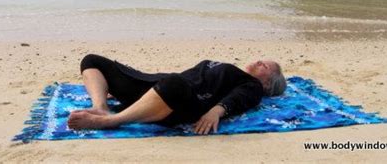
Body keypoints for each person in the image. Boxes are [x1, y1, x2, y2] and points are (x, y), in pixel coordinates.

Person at [67, 55, 287, 134]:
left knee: (174, 84)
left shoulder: (253, 86)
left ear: (267, 84)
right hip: (155, 86)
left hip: (182, 99)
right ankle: (101, 107)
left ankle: (112, 121)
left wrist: (217, 111)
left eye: (265, 66)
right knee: (92, 61)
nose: (259, 61)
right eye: (262, 60)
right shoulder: (235, 71)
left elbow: (241, 99)